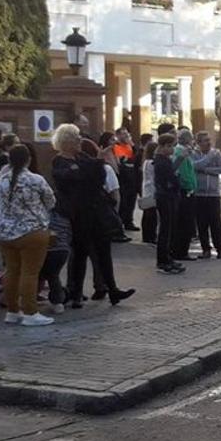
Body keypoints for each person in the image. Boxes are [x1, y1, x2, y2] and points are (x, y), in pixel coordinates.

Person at [51, 124, 135, 307]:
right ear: (66, 142)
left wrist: (93, 165)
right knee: (80, 254)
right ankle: (75, 293)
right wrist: (89, 169)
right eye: (76, 138)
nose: (79, 141)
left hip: (96, 211)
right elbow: (75, 179)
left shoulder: (82, 157)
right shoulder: (59, 162)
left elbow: (97, 176)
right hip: (78, 215)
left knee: (104, 252)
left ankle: (112, 289)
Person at [0, 144, 57, 327]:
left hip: (6, 232)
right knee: (30, 273)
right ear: (28, 159)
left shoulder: (2, 180)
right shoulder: (35, 180)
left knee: (11, 272)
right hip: (32, 231)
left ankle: (12, 311)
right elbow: (51, 201)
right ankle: (30, 312)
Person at [153, 134, 185, 274]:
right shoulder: (161, 161)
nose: (173, 148)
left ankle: (168, 257)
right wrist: (175, 182)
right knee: (165, 230)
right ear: (164, 146)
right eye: (171, 145)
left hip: (169, 197)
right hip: (165, 197)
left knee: (169, 228)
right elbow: (170, 178)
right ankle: (163, 261)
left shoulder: (165, 160)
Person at [192, 132, 221, 259]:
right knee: (202, 223)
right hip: (199, 194)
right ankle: (205, 249)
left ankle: (220, 249)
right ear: (199, 143)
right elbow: (195, 166)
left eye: (209, 140)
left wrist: (206, 170)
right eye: (205, 140)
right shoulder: (194, 154)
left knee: (216, 223)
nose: (208, 142)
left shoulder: (216, 153)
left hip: (213, 194)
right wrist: (208, 159)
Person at [171, 129, 199, 261]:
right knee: (185, 223)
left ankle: (180, 250)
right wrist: (190, 187)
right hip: (185, 192)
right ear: (188, 140)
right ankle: (182, 251)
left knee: (184, 223)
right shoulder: (181, 152)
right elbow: (184, 173)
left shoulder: (182, 151)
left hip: (185, 190)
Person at [114, 128, 141, 232]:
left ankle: (129, 221)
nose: (126, 136)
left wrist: (133, 145)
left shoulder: (129, 146)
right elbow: (122, 161)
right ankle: (120, 222)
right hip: (123, 178)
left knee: (131, 201)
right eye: (123, 134)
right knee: (123, 202)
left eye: (127, 133)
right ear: (118, 135)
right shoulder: (117, 146)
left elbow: (136, 158)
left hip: (132, 177)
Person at [139, 140, 159, 244]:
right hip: (152, 189)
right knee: (151, 215)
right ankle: (150, 236)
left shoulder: (146, 162)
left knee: (147, 214)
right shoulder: (151, 163)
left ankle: (147, 235)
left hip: (147, 189)